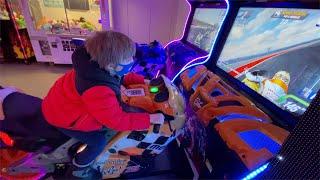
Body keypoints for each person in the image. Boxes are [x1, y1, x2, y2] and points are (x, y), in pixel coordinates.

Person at [0, 31, 164, 179]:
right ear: (111, 65)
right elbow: (116, 120)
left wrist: (144, 82)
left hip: (60, 105)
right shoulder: (98, 89)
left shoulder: (95, 67)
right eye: (128, 59)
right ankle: (80, 169)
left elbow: (119, 78)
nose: (131, 61)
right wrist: (149, 119)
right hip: (62, 118)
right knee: (98, 140)